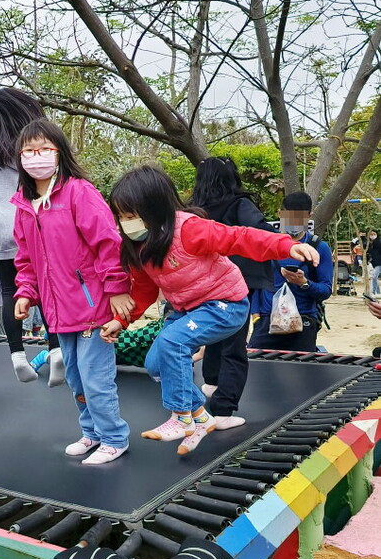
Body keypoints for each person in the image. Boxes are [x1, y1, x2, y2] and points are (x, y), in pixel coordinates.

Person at [102, 166, 319, 455]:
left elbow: (239, 237)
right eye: (122, 217)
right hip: (187, 310)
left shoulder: (189, 229)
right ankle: (201, 418)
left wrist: (285, 246)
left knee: (172, 342)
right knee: (155, 363)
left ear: (155, 209)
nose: (126, 223)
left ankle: (181, 417)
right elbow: (142, 291)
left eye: (131, 216)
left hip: (225, 304)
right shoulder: (138, 247)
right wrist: (121, 320)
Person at [12, 119, 132, 465]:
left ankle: (113, 437)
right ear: (20, 157)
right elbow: (26, 259)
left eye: (44, 149)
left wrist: (116, 289)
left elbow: (109, 243)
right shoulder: (23, 205)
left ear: (59, 152)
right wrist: (25, 292)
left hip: (91, 306)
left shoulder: (79, 192)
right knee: (75, 379)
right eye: (29, 151)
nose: (36, 157)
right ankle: (92, 432)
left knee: (96, 378)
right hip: (57, 311)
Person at [0, 88, 64, 385]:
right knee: (48, 289)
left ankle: (18, 356)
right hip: (42, 223)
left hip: (4, 229)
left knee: (11, 290)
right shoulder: (43, 141)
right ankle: (57, 349)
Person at [188, 157, 277, 430]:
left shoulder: (193, 211)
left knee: (213, 335)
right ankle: (224, 409)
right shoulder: (240, 204)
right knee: (235, 343)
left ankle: (211, 384)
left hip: (202, 285)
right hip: (235, 285)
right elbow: (261, 233)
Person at [247, 192, 333, 353]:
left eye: (299, 218)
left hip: (303, 320)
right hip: (266, 321)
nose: (293, 222)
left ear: (309, 216)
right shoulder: (265, 244)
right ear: (280, 214)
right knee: (257, 368)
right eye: (289, 217)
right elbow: (256, 283)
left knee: (301, 373)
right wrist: (256, 315)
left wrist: (304, 283)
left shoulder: (319, 248)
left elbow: (326, 290)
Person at [367, 231, 381, 297]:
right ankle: (378, 292)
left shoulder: (378, 242)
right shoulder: (370, 243)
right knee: (375, 277)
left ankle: (374, 291)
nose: (372, 235)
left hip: (379, 262)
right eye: (371, 234)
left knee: (374, 277)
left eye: (374, 234)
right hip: (375, 262)